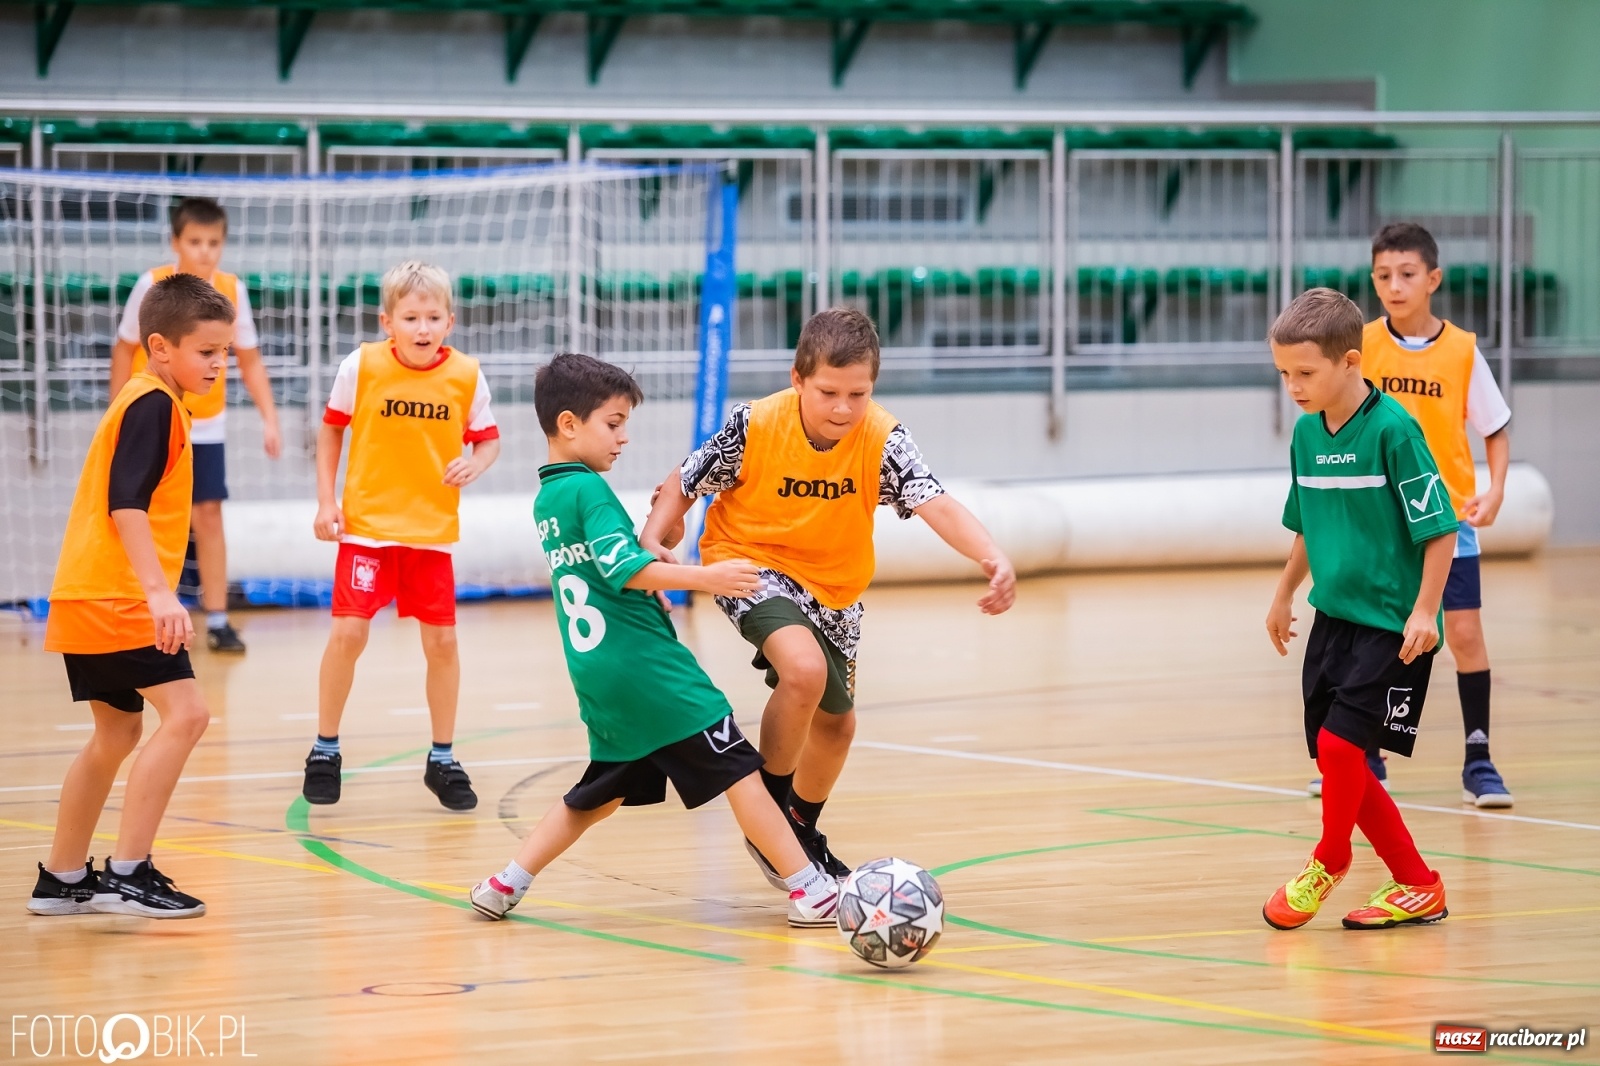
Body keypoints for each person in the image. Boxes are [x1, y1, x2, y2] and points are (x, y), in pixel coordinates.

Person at [640, 307, 1016, 884]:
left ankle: (797, 823)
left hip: (834, 586)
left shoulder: (884, 438)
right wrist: (652, 539)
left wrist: (991, 555)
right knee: (804, 670)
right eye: (828, 392)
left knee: (838, 727)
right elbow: (685, 479)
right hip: (751, 563)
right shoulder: (757, 423)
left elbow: (936, 502)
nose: (843, 408)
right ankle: (767, 816)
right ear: (798, 379)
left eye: (857, 394)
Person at [469, 354, 840, 928]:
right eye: (613, 424)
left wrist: (649, 571)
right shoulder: (590, 491)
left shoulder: (549, 497)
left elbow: (607, 572)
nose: (623, 438)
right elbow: (622, 569)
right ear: (569, 424)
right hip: (651, 669)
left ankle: (504, 882)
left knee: (600, 793)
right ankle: (809, 889)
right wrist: (704, 577)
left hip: (597, 672)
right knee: (741, 770)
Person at [29, 274, 235, 919]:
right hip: (116, 596)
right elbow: (127, 504)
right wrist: (159, 595)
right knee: (189, 715)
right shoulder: (152, 403)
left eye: (225, 352)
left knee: (116, 734)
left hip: (85, 596)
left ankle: (63, 878)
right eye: (206, 352)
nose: (218, 364)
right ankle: (128, 872)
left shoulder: (148, 400)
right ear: (159, 346)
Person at [1263, 288, 1456, 931]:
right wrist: (1285, 593)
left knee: (1345, 752)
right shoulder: (1305, 435)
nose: (1293, 386)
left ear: (1351, 362)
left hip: (1393, 622)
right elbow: (1307, 529)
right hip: (1333, 617)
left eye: (1305, 373)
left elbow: (1440, 530)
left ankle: (1330, 857)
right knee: (1332, 753)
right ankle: (1417, 883)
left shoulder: (1395, 431)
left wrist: (1426, 613)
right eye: (1284, 373)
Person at [300, 261, 499, 811]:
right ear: (387, 321)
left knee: (442, 643)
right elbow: (331, 430)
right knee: (348, 635)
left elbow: (488, 441)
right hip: (367, 527)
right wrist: (326, 501)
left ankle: (442, 758)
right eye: (411, 317)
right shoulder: (360, 366)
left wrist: (474, 464)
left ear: (450, 322)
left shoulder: (465, 375)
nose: (422, 327)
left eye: (433, 317)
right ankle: (325, 748)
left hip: (430, 534)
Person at [1358, 221, 1514, 809]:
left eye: (1406, 275)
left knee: (1465, 634)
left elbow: (1495, 428)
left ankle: (1479, 760)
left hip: (1447, 521)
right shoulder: (1364, 345)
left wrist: (1496, 491)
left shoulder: (1462, 350)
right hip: (1382, 521)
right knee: (1378, 638)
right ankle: (1369, 755)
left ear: (1433, 279)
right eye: (1382, 276)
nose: (1393, 286)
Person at [111, 197, 281, 653]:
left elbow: (249, 358)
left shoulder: (232, 290)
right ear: (176, 242)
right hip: (157, 419)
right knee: (141, 512)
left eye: (214, 243)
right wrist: (118, 414)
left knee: (208, 516)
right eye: (195, 241)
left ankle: (219, 619)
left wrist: (270, 417)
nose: (205, 251)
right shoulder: (152, 285)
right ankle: (142, 608)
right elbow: (125, 348)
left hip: (206, 425)